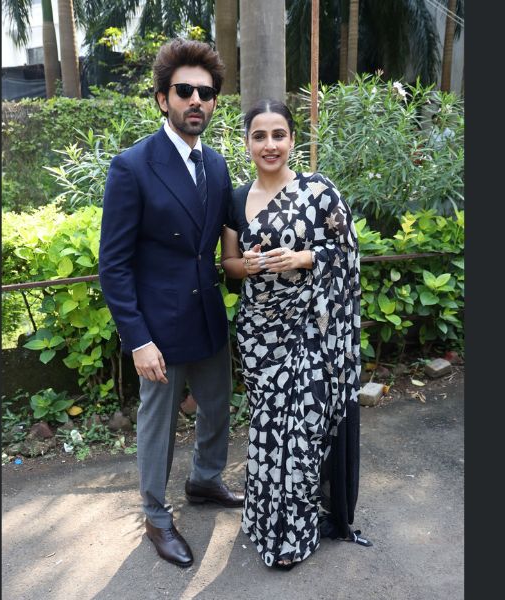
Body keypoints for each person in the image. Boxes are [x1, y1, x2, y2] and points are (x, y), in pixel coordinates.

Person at [99, 38, 244, 569]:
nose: (195, 100)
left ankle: (204, 481)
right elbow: (113, 265)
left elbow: (232, 237)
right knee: (157, 428)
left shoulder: (218, 165)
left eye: (205, 93)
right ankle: (156, 516)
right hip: (157, 328)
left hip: (206, 315)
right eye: (184, 91)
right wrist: (137, 339)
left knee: (217, 408)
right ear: (163, 99)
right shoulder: (132, 166)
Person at [220, 99, 371, 570]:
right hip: (260, 334)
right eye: (259, 136)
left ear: (292, 140)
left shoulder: (319, 191)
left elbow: (347, 252)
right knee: (268, 431)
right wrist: (249, 265)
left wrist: (304, 258)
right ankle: (266, 519)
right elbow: (228, 265)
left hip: (311, 332)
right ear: (247, 142)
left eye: (278, 135)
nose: (270, 145)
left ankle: (295, 532)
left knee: (302, 433)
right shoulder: (235, 199)